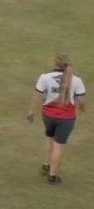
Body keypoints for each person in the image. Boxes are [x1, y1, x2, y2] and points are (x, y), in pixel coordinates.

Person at [28, 56, 86, 185]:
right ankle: (52, 176)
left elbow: (37, 94)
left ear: (55, 64)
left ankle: (46, 164)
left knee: (49, 137)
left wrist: (31, 111)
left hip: (48, 115)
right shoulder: (76, 80)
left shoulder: (45, 77)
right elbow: (81, 100)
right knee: (58, 145)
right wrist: (82, 108)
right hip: (66, 118)